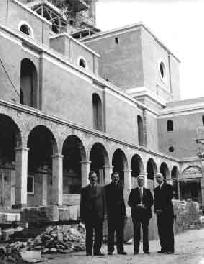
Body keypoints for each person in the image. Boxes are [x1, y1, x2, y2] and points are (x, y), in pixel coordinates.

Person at [80, 171, 105, 256]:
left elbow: (104, 202)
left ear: (97, 178)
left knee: (99, 234)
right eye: (91, 177)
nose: (93, 179)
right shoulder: (85, 189)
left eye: (94, 177)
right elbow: (82, 204)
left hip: (99, 215)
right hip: (88, 215)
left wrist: (104, 214)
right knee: (89, 234)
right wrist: (82, 216)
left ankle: (97, 251)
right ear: (89, 178)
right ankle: (88, 251)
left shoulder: (101, 189)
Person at [128, 175, 153, 254]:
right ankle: (136, 250)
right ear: (137, 181)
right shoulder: (133, 191)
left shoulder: (148, 191)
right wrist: (136, 206)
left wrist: (145, 206)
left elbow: (151, 201)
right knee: (136, 232)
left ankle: (146, 250)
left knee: (145, 232)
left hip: (145, 214)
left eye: (142, 180)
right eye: (139, 180)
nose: (140, 182)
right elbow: (130, 202)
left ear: (143, 181)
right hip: (136, 215)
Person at [105, 172, 127, 255]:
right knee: (111, 233)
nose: (116, 178)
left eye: (117, 177)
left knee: (120, 233)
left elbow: (122, 200)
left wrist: (124, 213)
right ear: (111, 178)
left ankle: (120, 249)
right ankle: (110, 250)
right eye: (114, 177)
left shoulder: (120, 187)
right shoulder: (107, 188)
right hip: (111, 213)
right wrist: (106, 213)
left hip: (120, 213)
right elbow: (106, 201)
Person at [154, 173, 175, 254]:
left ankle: (170, 248)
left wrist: (162, 209)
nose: (158, 179)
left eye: (159, 177)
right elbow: (155, 201)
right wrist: (156, 210)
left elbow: (169, 199)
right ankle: (164, 248)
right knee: (161, 230)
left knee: (169, 231)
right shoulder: (156, 189)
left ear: (163, 178)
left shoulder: (168, 187)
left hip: (167, 212)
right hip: (160, 213)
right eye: (156, 178)